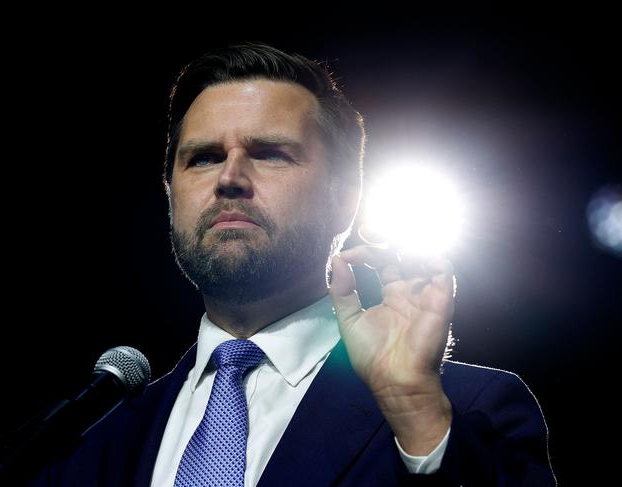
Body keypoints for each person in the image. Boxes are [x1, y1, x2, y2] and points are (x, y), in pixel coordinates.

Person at [30, 42, 554, 486]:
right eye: (204, 157)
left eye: (270, 153)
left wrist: (416, 410)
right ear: (171, 193)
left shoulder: (467, 409)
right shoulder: (94, 438)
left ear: (344, 199)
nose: (229, 177)